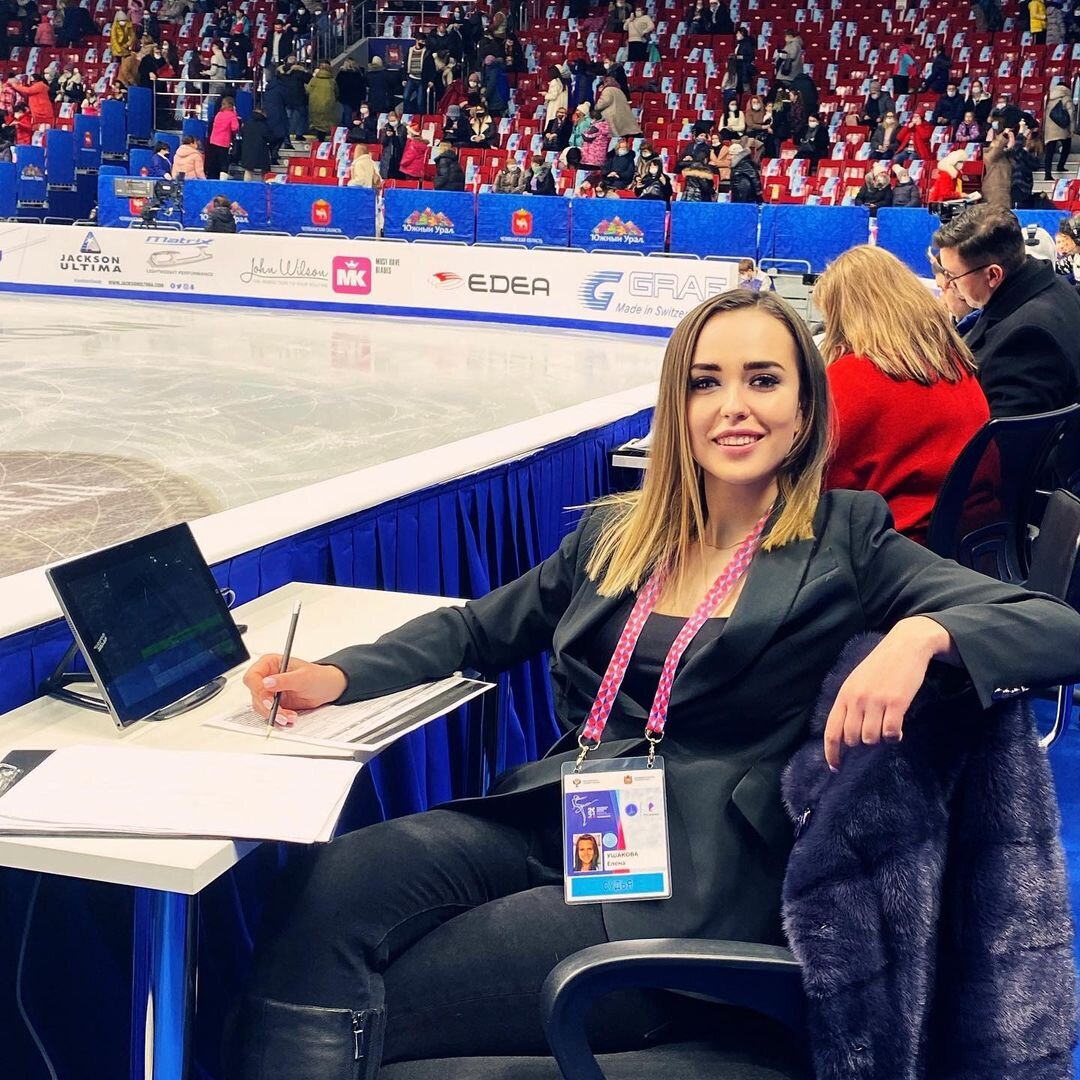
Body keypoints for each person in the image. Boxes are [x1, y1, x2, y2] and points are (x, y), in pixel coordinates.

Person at [230, 286, 1080, 1079]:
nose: (733, 405)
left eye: (763, 380)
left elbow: (1056, 625)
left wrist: (924, 632)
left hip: (686, 881)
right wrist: (337, 675)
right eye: (706, 383)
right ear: (677, 406)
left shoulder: (847, 541)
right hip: (566, 814)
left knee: (387, 999)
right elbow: (478, 629)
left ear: (804, 409)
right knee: (331, 883)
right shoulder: (617, 534)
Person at [815, 246, 990, 544]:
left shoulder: (852, 378)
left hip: (893, 548)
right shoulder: (956, 365)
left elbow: (815, 479)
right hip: (968, 541)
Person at [934, 203, 1080, 416]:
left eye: (952, 275)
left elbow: (1009, 431)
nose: (948, 284)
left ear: (993, 275)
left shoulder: (1026, 338)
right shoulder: (1055, 286)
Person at [1043, 83, 1073, 180]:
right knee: (1066, 146)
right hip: (1063, 127)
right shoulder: (1066, 98)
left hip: (1050, 129)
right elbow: (1071, 113)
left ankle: (1047, 174)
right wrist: (1072, 129)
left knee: (1049, 152)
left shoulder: (1049, 99)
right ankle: (1060, 165)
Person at [205, 95, 238, 178]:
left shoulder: (219, 114)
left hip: (213, 140)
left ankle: (211, 177)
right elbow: (235, 127)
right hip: (223, 142)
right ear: (232, 106)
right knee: (223, 162)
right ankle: (223, 179)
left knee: (214, 162)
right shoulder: (232, 115)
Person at [306, 60, 339, 140]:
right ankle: (324, 136)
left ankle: (319, 136)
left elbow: (308, 90)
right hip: (328, 104)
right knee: (327, 121)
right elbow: (336, 92)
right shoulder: (332, 81)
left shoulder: (314, 80)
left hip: (315, 103)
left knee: (317, 121)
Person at [239, 108, 272, 181]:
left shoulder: (247, 123)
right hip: (261, 150)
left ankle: (247, 185)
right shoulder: (264, 124)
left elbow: (241, 133)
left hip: (247, 150)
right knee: (265, 169)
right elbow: (269, 137)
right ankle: (264, 185)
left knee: (248, 169)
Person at [336, 59, 366, 127]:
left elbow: (337, 85)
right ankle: (353, 128)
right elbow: (362, 86)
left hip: (345, 97)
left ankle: (346, 128)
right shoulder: (358, 74)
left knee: (347, 112)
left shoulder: (341, 74)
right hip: (356, 97)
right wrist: (363, 97)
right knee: (355, 113)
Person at [379, 115, 406, 180]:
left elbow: (402, 143)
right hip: (388, 156)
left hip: (398, 156)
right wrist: (387, 136)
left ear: (397, 119)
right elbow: (382, 142)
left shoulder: (402, 128)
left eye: (394, 120)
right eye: (390, 121)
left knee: (398, 177)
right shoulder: (385, 128)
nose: (392, 122)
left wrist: (396, 133)